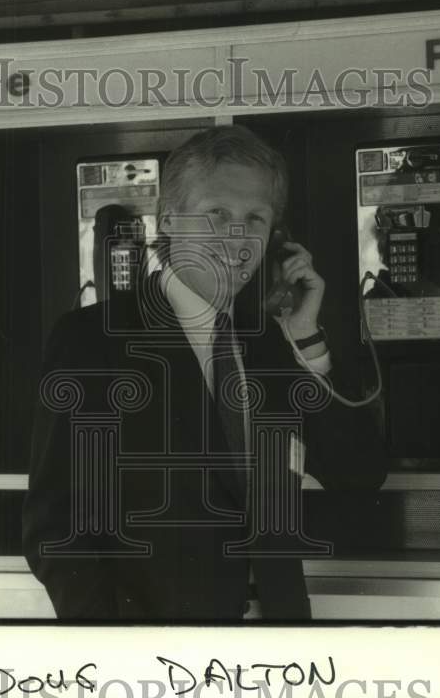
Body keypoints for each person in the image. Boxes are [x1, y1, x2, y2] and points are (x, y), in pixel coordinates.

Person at [23, 125, 386, 620]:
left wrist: (306, 338)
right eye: (217, 213)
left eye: (255, 218)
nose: (237, 237)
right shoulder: (95, 340)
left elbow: (357, 474)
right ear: (168, 218)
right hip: (160, 657)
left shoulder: (270, 343)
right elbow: (57, 528)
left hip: (276, 649)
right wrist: (114, 651)